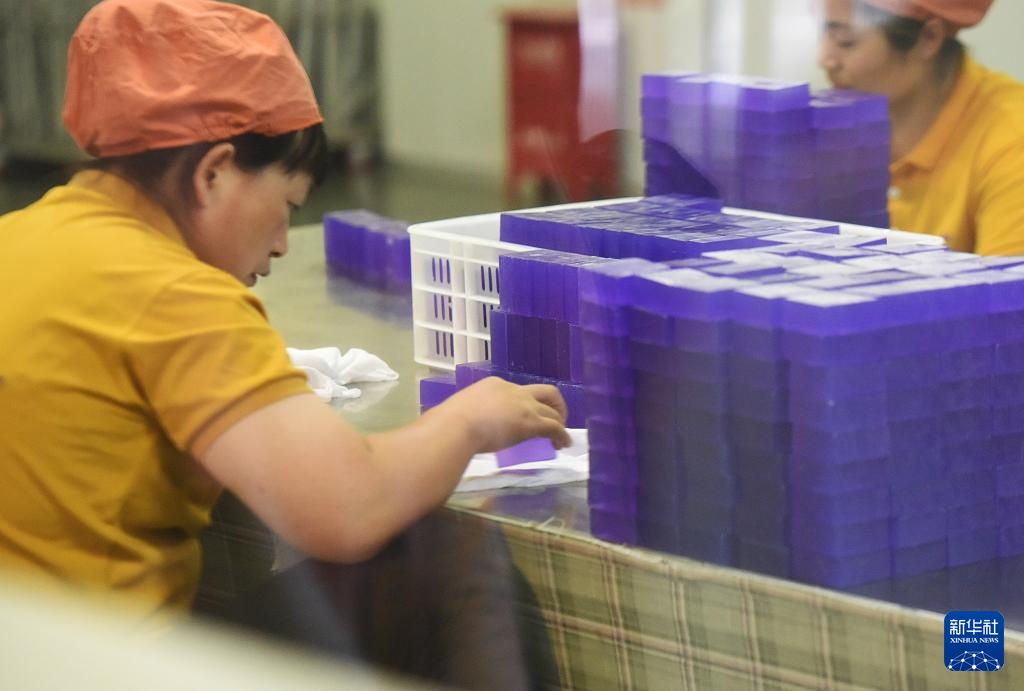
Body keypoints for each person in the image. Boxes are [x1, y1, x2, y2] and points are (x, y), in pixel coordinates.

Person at [0, 0, 570, 622]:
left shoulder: (17, 238)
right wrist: (470, 421)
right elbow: (348, 509)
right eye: (288, 206)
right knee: (459, 555)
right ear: (214, 174)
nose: (281, 245)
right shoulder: (175, 292)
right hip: (96, 657)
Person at [817, 0, 1024, 255]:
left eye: (845, 41)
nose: (824, 59)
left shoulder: (1012, 143)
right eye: (823, 33)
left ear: (928, 39)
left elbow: (1007, 279)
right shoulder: (841, 126)